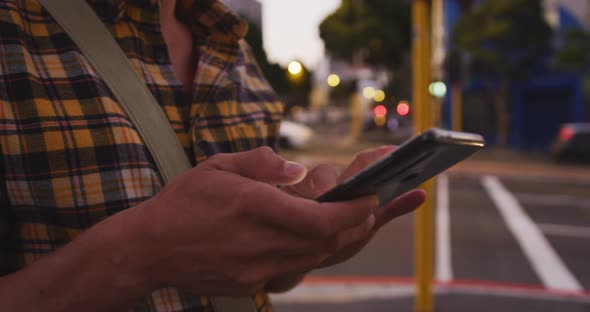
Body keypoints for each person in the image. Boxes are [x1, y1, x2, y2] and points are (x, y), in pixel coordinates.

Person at [0, 0, 426, 311]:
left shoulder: (234, 50)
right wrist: (140, 255)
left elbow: (252, 276)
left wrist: (306, 244)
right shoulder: (15, 31)